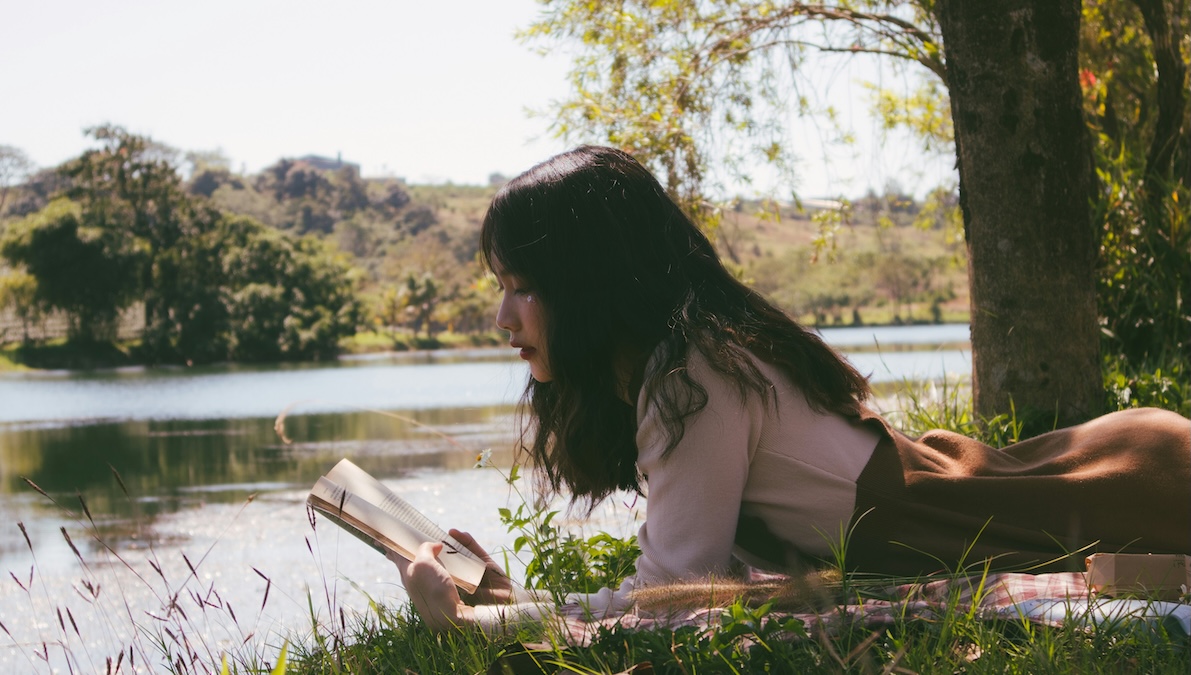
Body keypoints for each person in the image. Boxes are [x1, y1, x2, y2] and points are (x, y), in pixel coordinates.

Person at [392, 145, 1191, 633]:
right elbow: (693, 583)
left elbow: (671, 595)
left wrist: (493, 616)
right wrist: (509, 600)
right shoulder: (689, 357)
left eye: (522, 285)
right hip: (1081, 476)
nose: (502, 315)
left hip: (1130, 492)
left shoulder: (692, 376)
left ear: (590, 284)